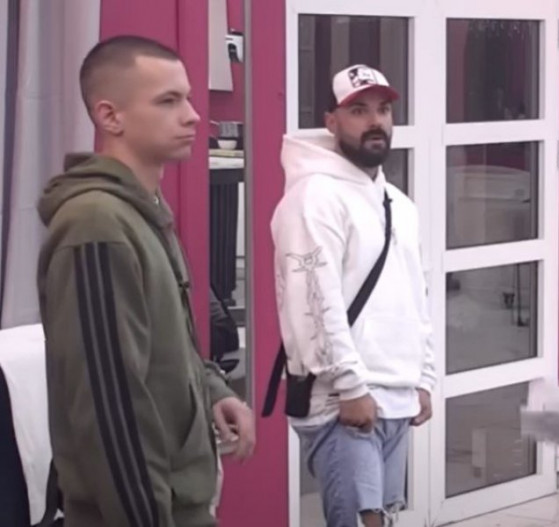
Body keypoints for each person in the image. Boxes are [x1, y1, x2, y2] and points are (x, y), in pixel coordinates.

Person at [36, 35, 255, 527]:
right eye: (168, 101)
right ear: (110, 116)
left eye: (188, 98)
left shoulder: (144, 211)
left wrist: (213, 391)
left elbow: (165, 345)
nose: (193, 116)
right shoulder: (96, 224)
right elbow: (109, 406)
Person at [271, 64, 436, 527]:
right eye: (359, 110)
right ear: (331, 121)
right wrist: (350, 387)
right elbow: (312, 303)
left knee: (385, 518)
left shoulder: (399, 205)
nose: (375, 121)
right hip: (342, 401)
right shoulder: (313, 198)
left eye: (383, 110)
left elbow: (416, 295)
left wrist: (423, 377)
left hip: (397, 393)